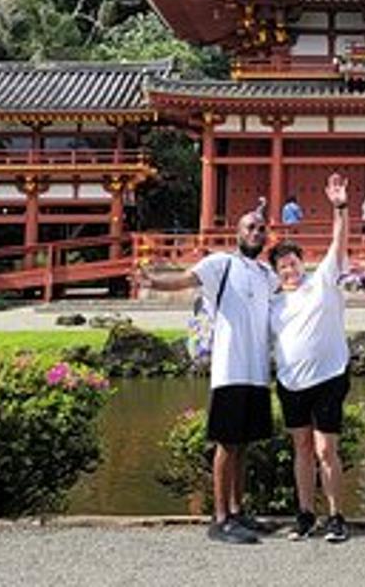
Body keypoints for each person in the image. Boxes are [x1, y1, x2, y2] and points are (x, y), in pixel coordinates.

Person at [139, 209, 276, 544]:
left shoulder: (267, 274)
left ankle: (238, 510)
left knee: (244, 446)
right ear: (237, 232)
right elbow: (185, 280)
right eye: (250, 227)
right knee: (226, 445)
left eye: (261, 228)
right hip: (230, 369)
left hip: (257, 371)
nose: (256, 232)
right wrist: (154, 282)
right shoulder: (220, 265)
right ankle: (220, 518)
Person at [270, 173, 353, 543]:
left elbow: (339, 242)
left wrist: (340, 207)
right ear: (276, 272)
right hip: (290, 381)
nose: (289, 269)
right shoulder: (272, 302)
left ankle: (336, 517)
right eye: (282, 266)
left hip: (329, 375)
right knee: (301, 448)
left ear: (303, 262)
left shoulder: (322, 281)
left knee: (325, 448)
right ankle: (305, 514)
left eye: (292, 262)